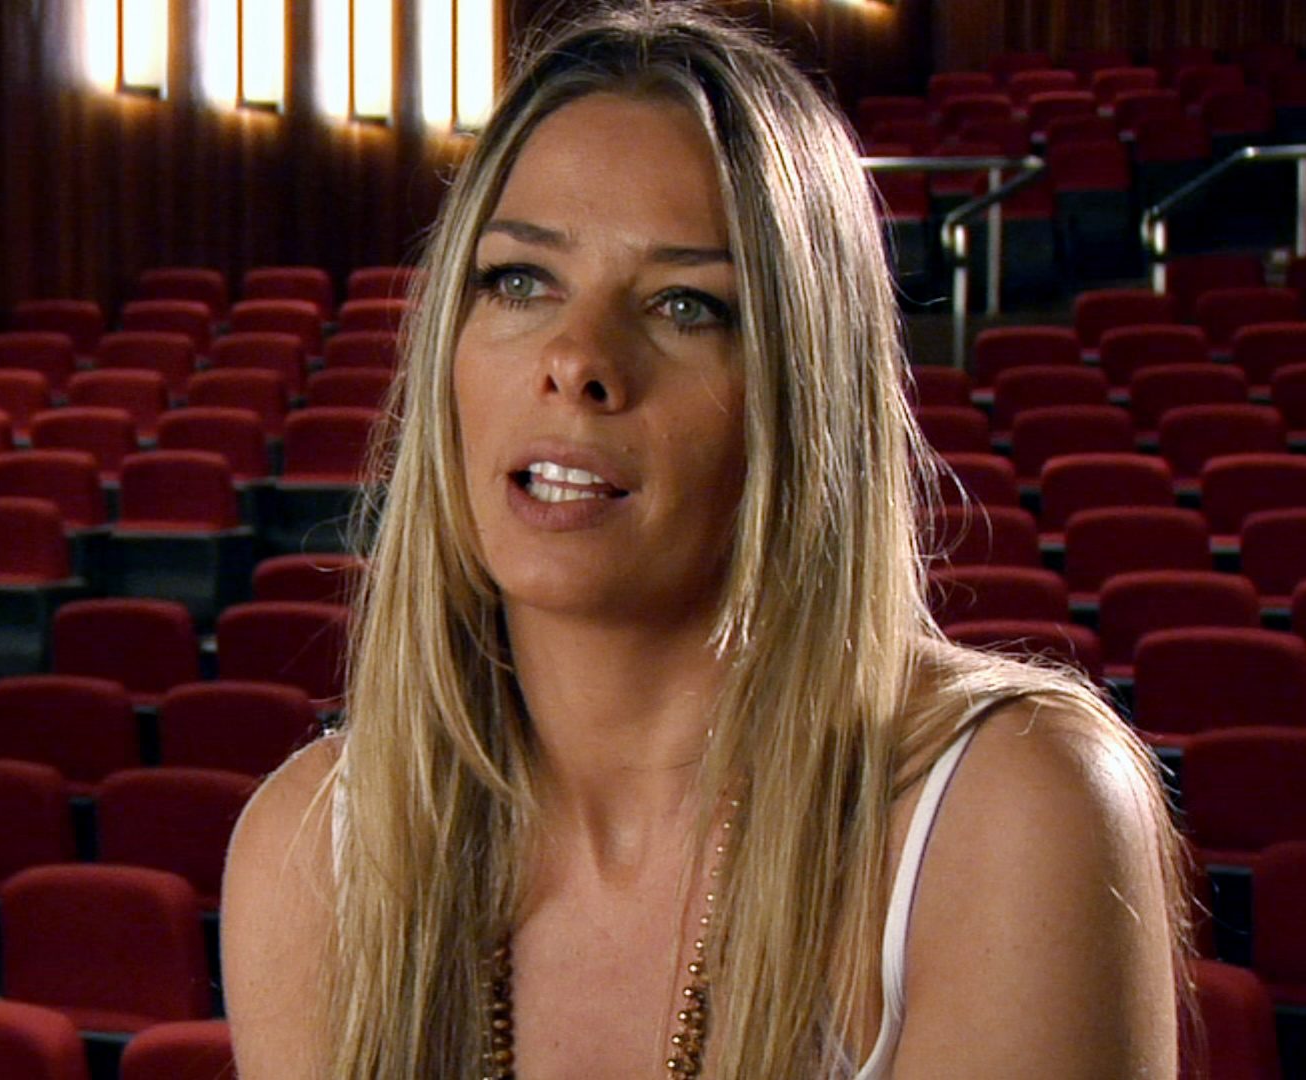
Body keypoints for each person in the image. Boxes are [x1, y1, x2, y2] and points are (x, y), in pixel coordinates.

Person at [222, 3, 1189, 1076]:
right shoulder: (309, 849)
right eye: (520, 282)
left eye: (686, 305)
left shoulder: (1009, 808)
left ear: (804, 394)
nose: (577, 359)